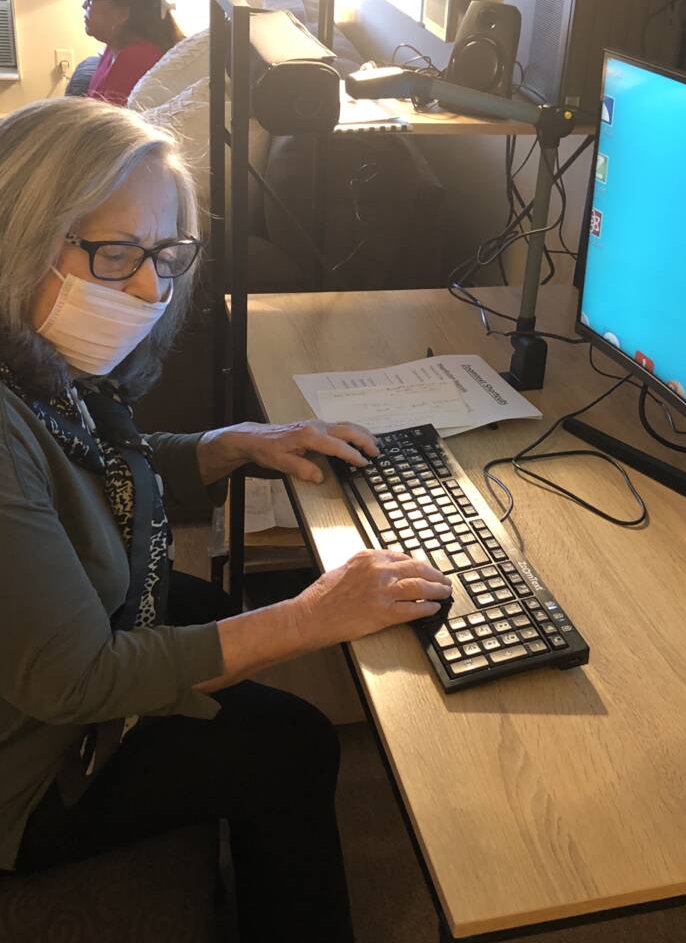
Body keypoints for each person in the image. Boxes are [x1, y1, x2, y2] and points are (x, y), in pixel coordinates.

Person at [0, 96, 450, 941]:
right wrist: (309, 616)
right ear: (17, 240)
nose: (148, 287)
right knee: (296, 745)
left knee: (253, 642)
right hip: (36, 763)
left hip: (95, 610)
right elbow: (74, 681)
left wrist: (235, 441)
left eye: (163, 255)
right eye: (113, 254)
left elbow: (88, 462)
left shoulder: (35, 362)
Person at [84, 0, 183, 107]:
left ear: (122, 13)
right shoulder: (114, 45)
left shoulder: (135, 63)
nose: (84, 5)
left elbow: (110, 129)